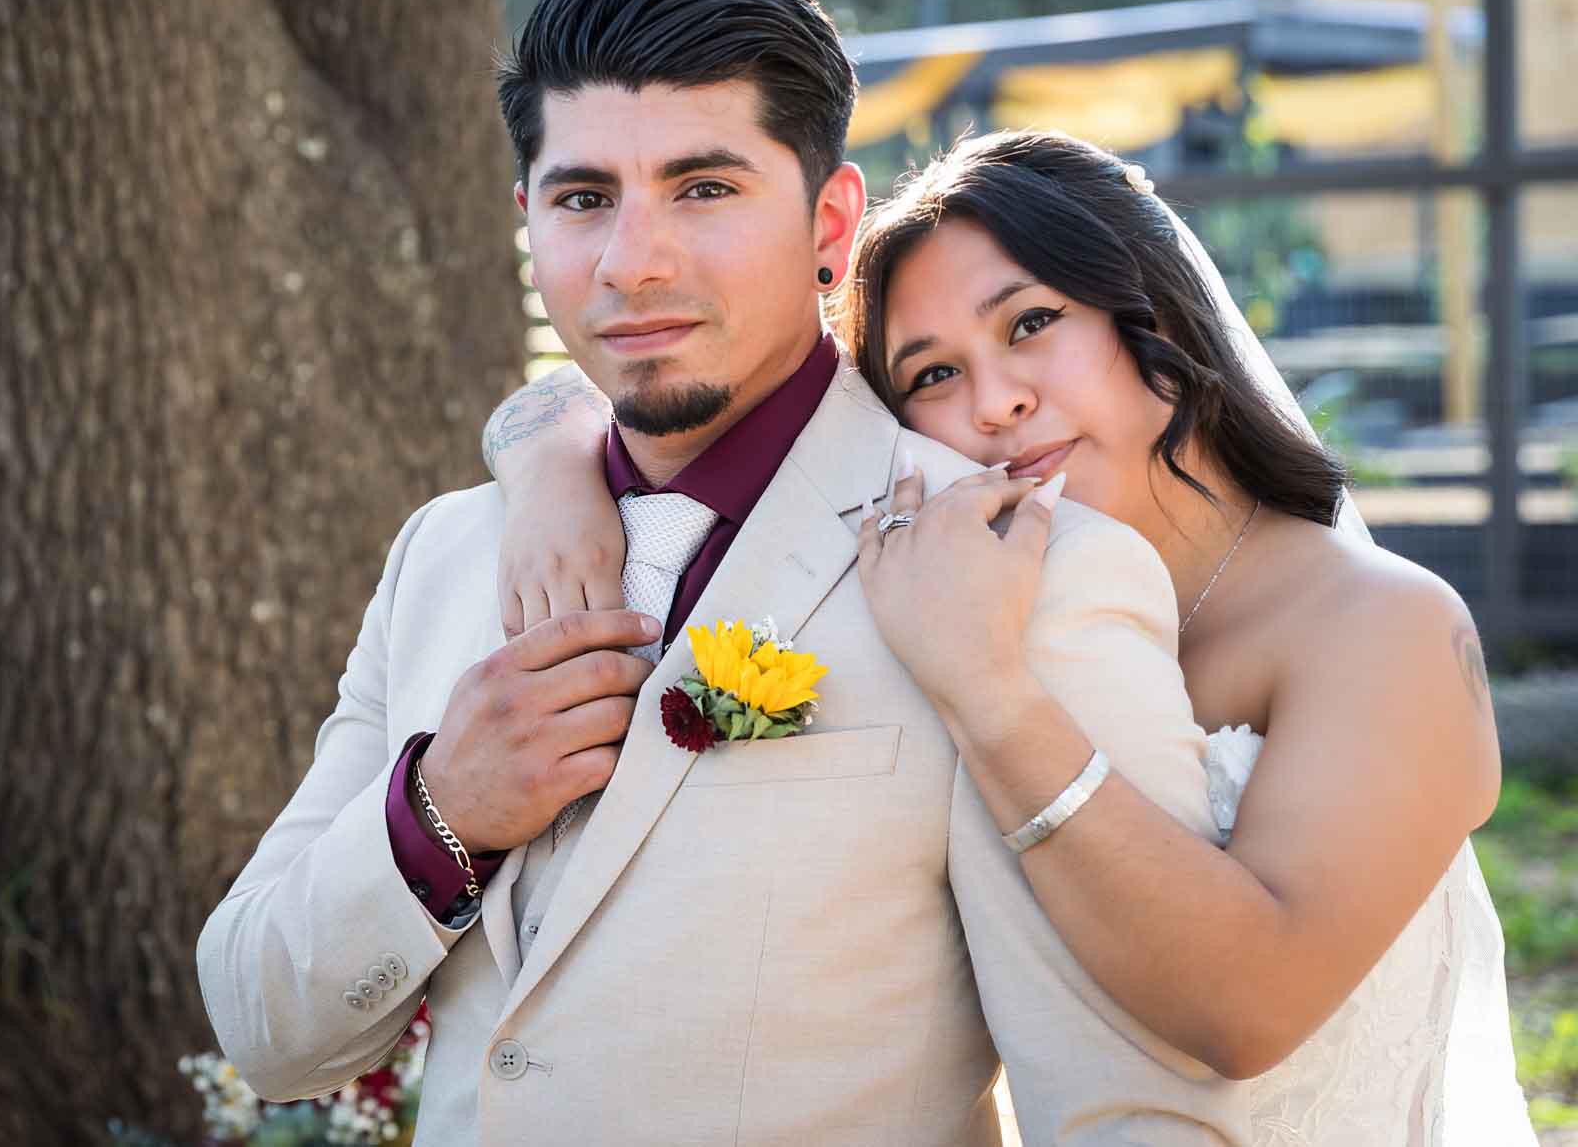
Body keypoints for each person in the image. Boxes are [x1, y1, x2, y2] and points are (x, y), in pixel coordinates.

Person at [199, 0, 1254, 1145]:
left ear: (831, 222)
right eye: (584, 197)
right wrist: (440, 809)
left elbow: (1134, 1102)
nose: (632, 261)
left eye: (703, 189)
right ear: (528, 222)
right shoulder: (444, 553)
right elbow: (259, 1025)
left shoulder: (1029, 567)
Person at [488, 127, 1536, 1144]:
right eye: (931, 374)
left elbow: (1245, 1010)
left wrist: (986, 690)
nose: (996, 402)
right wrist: (547, 465)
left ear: (1155, 311)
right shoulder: (1005, 595)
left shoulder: (1382, 625)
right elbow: (667, 382)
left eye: (1029, 322)